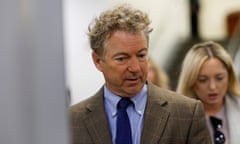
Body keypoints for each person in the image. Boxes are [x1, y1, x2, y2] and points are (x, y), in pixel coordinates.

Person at [70, 4, 211, 144]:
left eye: (141, 55)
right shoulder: (72, 120)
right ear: (98, 61)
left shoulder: (186, 114)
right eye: (122, 58)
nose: (135, 68)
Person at [177, 41, 240, 144]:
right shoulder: (176, 118)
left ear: (229, 76)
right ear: (191, 81)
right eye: (203, 80)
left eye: (219, 78)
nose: (212, 87)